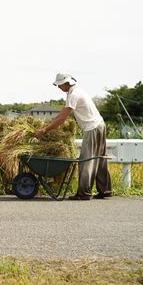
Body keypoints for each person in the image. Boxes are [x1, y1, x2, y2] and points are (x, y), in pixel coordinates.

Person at [34, 72, 112, 200]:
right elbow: (61, 116)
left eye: (60, 85)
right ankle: (105, 190)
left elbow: (62, 118)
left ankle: (84, 193)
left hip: (92, 127)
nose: (59, 88)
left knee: (86, 160)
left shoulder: (73, 95)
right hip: (99, 125)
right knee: (100, 159)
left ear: (66, 83)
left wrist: (44, 130)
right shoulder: (78, 91)